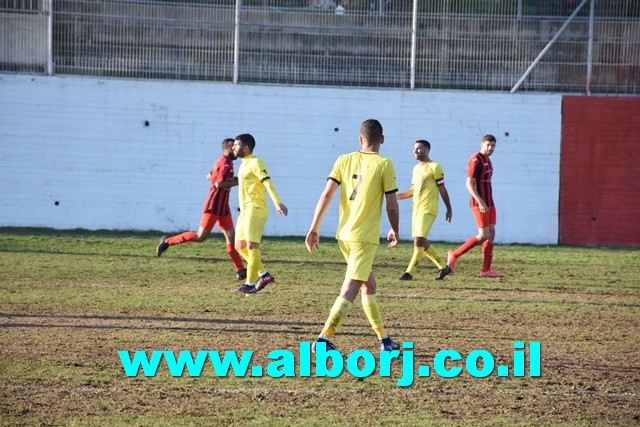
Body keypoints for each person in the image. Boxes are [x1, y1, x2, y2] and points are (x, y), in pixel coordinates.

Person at [305, 119, 401, 353]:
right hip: (363, 238)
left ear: (360, 139)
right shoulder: (385, 164)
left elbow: (326, 194)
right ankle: (324, 338)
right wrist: (395, 229)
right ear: (383, 139)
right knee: (351, 288)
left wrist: (314, 228)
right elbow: (392, 205)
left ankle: (385, 340)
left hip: (344, 235)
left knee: (369, 285)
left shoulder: (343, 159)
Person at [156, 138, 246, 280]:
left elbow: (209, 175)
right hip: (213, 206)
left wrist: (230, 180)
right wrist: (238, 181)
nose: (236, 150)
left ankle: (240, 270)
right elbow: (218, 184)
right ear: (227, 149)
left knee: (231, 237)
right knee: (200, 237)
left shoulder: (224, 162)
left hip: (223, 208)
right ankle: (167, 242)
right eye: (233, 147)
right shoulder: (225, 164)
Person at [233, 133, 288, 294]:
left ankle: (250, 284)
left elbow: (267, 182)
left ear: (246, 147)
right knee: (239, 247)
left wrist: (277, 202)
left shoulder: (256, 162)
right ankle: (263, 274)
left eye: (236, 145)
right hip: (244, 213)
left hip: (255, 210)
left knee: (251, 247)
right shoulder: (243, 164)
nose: (233, 147)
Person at [396, 140, 453, 281]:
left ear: (427, 150)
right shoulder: (416, 169)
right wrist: (394, 197)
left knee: (418, 241)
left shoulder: (435, 167)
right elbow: (412, 191)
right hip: (416, 210)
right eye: (414, 148)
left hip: (428, 209)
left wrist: (449, 208)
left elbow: (442, 189)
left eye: (419, 148)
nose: (415, 151)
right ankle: (443, 267)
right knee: (421, 241)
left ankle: (409, 272)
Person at [447, 134, 502, 278]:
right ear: (482, 145)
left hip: (489, 202)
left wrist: (487, 202)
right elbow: (468, 184)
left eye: (493, 146)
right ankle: (454, 255)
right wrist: (481, 202)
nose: (490, 148)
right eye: (488, 145)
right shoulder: (476, 160)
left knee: (491, 234)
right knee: (483, 234)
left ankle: (486, 270)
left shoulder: (488, 161)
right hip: (480, 203)